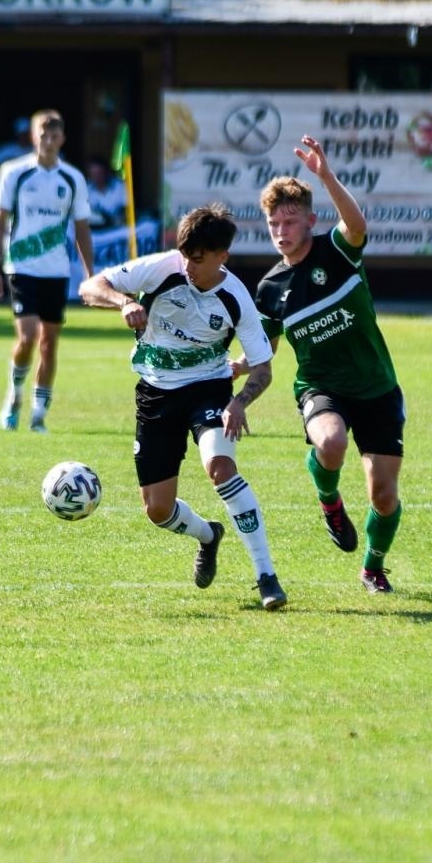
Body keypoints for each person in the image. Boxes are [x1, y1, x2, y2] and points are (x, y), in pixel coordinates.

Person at [79, 203, 288, 610]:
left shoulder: (236, 297)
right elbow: (90, 286)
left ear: (221, 257)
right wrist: (124, 302)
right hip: (155, 394)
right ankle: (207, 535)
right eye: (184, 255)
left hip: (209, 388)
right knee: (157, 510)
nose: (187, 266)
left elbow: (263, 366)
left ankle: (266, 575)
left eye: (197, 259)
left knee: (220, 467)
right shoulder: (163, 267)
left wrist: (240, 401)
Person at [240, 135, 405, 595]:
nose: (281, 230)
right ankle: (329, 500)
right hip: (320, 387)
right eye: (274, 222)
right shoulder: (270, 288)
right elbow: (264, 350)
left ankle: (373, 567)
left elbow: (356, 224)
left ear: (310, 221)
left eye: (290, 221)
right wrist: (238, 371)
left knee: (383, 496)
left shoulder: (337, 251)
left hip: (376, 387)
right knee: (330, 442)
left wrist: (325, 176)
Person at [0, 109, 94, 433]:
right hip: (21, 265)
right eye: (42, 135)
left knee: (49, 343)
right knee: (28, 336)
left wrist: (90, 276)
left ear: (63, 139)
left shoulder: (72, 178)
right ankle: (14, 396)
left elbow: (82, 228)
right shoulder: (14, 172)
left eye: (54, 135)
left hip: (56, 270)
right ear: (33, 137)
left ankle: (38, 414)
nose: (48, 141)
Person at [85, 156, 128, 230]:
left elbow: (126, 211)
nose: (96, 178)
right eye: (93, 175)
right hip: (95, 230)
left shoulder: (120, 186)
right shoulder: (86, 189)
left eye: (99, 174)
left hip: (117, 228)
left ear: (107, 173)